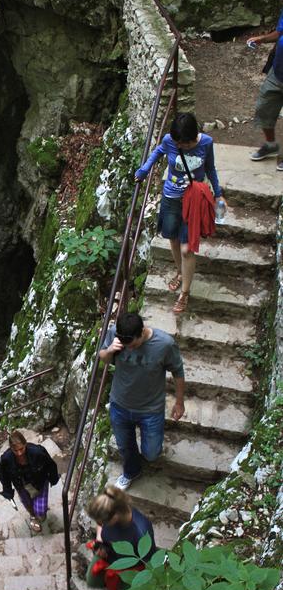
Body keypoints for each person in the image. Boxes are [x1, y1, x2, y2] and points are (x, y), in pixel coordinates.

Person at [135, 112, 224, 314]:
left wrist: (218, 194)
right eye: (177, 143)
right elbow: (158, 151)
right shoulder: (170, 140)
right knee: (173, 240)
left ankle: (184, 292)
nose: (179, 147)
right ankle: (180, 272)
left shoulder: (206, 143)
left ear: (193, 138)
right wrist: (144, 170)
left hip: (192, 202)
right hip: (170, 200)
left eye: (183, 144)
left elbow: (211, 169)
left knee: (187, 248)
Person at [100, 311, 185, 490]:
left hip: (150, 409)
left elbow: (178, 371)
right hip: (119, 404)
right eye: (126, 345)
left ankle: (149, 449)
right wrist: (109, 350)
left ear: (142, 332)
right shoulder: (116, 333)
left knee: (152, 454)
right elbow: (103, 358)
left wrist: (179, 402)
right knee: (125, 446)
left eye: (133, 344)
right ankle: (131, 472)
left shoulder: (164, 344)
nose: (129, 348)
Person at [85, 485, 156, 590]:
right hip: (109, 555)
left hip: (132, 568)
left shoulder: (140, 532)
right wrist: (100, 541)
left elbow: (151, 569)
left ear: (116, 514)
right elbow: (100, 525)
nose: (100, 524)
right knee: (91, 580)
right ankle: (114, 587)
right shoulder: (109, 507)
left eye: (104, 521)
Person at [247, 0, 283, 172]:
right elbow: (280, 32)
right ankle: (270, 145)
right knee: (264, 107)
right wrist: (261, 39)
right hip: (278, 71)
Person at [0, 431, 60, 533]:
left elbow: (51, 465)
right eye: (15, 450)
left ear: (25, 444)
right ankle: (32, 516)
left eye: (21, 449)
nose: (19, 453)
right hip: (21, 484)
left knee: (40, 510)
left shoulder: (38, 452)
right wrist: (8, 491)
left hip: (39, 482)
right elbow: (4, 476)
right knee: (27, 503)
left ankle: (39, 514)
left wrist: (53, 478)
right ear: (10, 448)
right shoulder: (6, 459)